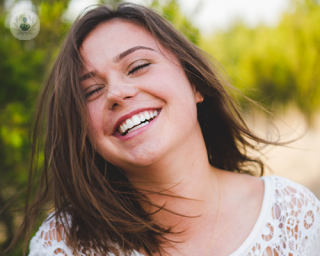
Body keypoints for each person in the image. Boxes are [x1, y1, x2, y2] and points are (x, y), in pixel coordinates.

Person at [15, 2, 319, 256]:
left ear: (195, 82)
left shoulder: (290, 216)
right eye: (92, 91)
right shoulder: (63, 245)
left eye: (137, 66)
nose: (116, 93)